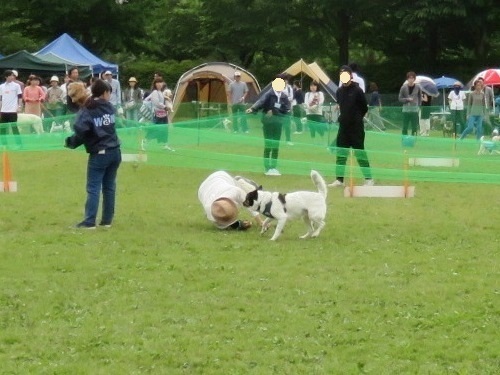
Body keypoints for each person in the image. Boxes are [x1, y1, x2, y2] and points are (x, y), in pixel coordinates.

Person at [64, 79, 122, 229]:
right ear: (104, 93)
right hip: (115, 151)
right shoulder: (109, 107)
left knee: (94, 187)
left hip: (100, 153)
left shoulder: (88, 109)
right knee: (109, 187)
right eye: (109, 92)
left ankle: (89, 221)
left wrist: (70, 142)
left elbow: (81, 129)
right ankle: (107, 221)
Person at [329, 65, 373, 187]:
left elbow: (364, 107)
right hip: (343, 128)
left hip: (356, 128)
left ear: (350, 76)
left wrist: (356, 118)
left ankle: (368, 179)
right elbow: (341, 106)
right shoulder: (339, 91)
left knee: (360, 153)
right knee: (341, 154)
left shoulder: (357, 91)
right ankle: (339, 180)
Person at [246, 76, 291, 176]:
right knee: (268, 145)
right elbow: (261, 102)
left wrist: (274, 110)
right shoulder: (269, 94)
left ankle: (274, 167)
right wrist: (253, 109)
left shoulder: (284, 96)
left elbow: (286, 109)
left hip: (278, 123)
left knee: (276, 146)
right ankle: (267, 168)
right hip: (268, 123)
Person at [198, 171, 264, 230]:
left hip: (221, 176)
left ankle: (239, 180)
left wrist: (260, 221)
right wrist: (239, 224)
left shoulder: (235, 191)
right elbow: (223, 224)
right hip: (203, 190)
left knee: (252, 192)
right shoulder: (213, 213)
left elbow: (249, 203)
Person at [143, 77, 174, 151]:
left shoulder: (160, 92)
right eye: (158, 83)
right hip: (157, 114)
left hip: (163, 114)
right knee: (155, 130)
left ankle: (165, 145)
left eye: (161, 82)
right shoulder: (155, 92)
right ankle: (145, 141)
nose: (160, 84)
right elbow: (156, 103)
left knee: (164, 130)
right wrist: (165, 107)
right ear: (155, 84)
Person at [0, 70, 23, 148]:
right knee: (2, 129)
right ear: (6, 76)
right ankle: (4, 144)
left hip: (13, 110)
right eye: (10, 75)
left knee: (14, 128)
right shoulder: (1, 86)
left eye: (13, 75)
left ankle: (19, 144)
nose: (12, 77)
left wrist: (19, 107)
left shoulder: (16, 85)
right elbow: (1, 98)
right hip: (3, 111)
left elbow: (20, 97)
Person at [398, 71, 422, 136]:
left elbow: (420, 97)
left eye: (412, 78)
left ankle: (413, 139)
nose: (411, 79)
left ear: (414, 79)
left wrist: (419, 105)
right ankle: (404, 140)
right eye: (409, 78)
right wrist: (407, 99)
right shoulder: (403, 87)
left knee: (414, 127)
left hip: (414, 110)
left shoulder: (418, 87)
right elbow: (400, 98)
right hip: (406, 110)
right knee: (405, 126)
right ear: (407, 79)